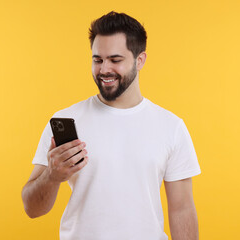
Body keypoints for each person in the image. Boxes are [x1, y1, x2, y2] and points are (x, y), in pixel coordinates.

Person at [22, 11, 201, 240]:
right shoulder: (67, 120)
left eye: (115, 60)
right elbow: (32, 209)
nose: (104, 69)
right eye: (98, 60)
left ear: (140, 60)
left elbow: (182, 208)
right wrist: (52, 175)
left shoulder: (171, 126)